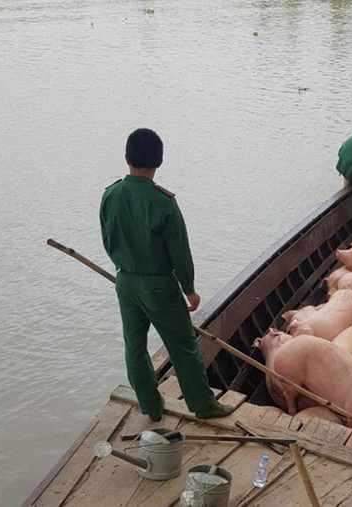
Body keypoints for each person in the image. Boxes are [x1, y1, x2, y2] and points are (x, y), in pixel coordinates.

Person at [100, 128, 233, 422]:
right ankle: (203, 405)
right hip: (159, 286)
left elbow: (108, 240)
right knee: (183, 346)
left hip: (126, 282)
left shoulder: (111, 195)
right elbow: (179, 252)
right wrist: (189, 289)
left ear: (126, 157)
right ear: (159, 162)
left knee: (135, 347)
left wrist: (126, 269)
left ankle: (150, 405)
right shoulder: (164, 202)